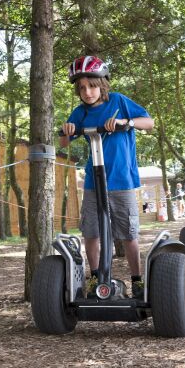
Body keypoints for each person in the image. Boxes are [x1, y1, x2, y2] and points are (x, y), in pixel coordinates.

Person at [60, 55, 154, 299]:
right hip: (93, 182)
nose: (87, 92)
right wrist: (67, 130)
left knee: (129, 234)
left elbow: (149, 122)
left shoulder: (118, 101)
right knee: (91, 233)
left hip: (121, 180)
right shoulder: (80, 112)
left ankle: (136, 280)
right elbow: (64, 140)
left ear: (102, 84)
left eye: (92, 86)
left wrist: (126, 121)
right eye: (82, 88)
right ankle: (95, 279)